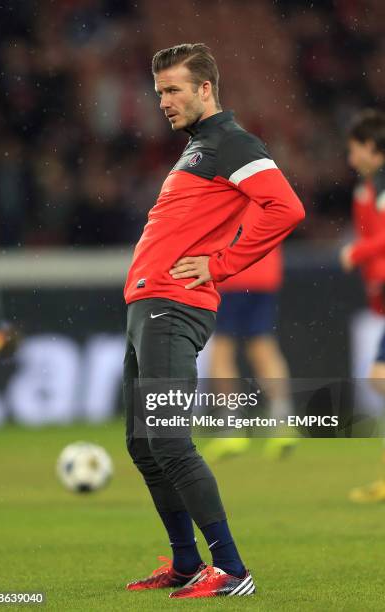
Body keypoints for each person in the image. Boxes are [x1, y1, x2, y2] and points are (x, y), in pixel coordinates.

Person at [123, 43, 305, 598]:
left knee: (170, 441)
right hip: (146, 308)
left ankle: (230, 568)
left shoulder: (231, 142)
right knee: (143, 441)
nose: (164, 101)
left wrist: (222, 264)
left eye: (174, 89)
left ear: (206, 89)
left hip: (174, 308)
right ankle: (184, 562)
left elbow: (287, 207)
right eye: (159, 92)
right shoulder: (197, 148)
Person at [204, 244, 298, 462]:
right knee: (263, 347)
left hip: (228, 271)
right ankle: (282, 423)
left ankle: (230, 429)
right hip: (264, 269)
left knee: (221, 350)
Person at [339, 109, 385, 503]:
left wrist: (358, 251)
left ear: (372, 147)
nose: (351, 158)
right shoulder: (366, 189)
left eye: (355, 150)